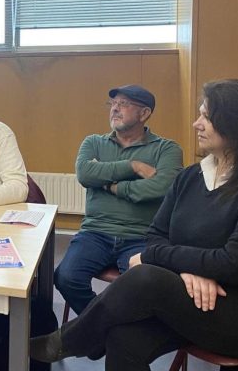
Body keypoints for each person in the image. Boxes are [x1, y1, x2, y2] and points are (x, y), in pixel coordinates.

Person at [31, 79, 238, 370]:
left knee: (146, 277)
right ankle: (81, 339)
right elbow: (156, 235)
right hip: (198, 298)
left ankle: (67, 341)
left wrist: (166, 260)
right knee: (123, 336)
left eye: (207, 116)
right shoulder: (192, 177)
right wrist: (189, 269)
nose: (196, 124)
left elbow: (237, 263)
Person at [54, 85, 183, 315]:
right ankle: (101, 331)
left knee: (144, 287)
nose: (114, 108)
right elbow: (85, 174)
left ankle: (95, 330)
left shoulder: (167, 149)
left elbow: (162, 187)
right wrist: (133, 166)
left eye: (123, 104)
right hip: (95, 233)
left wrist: (111, 185)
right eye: (112, 103)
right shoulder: (93, 142)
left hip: (141, 236)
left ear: (144, 114)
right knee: (65, 277)